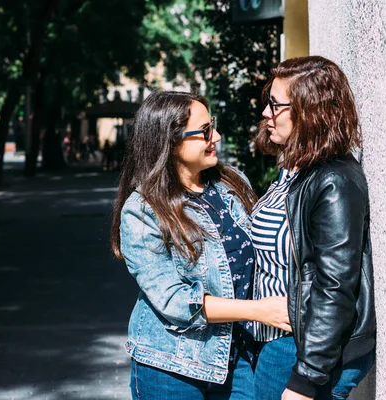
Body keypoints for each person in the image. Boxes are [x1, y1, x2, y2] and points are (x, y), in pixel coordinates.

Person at [110, 91, 290, 400]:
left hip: (238, 358)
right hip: (171, 365)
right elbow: (174, 301)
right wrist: (259, 311)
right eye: (205, 131)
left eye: (213, 125)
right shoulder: (142, 210)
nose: (216, 137)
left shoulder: (232, 182)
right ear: (171, 141)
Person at [251, 56, 377, 400]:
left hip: (301, 350)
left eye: (275, 105)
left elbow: (335, 285)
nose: (266, 113)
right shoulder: (295, 170)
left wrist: (306, 380)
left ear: (309, 110)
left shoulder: (333, 180)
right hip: (278, 342)